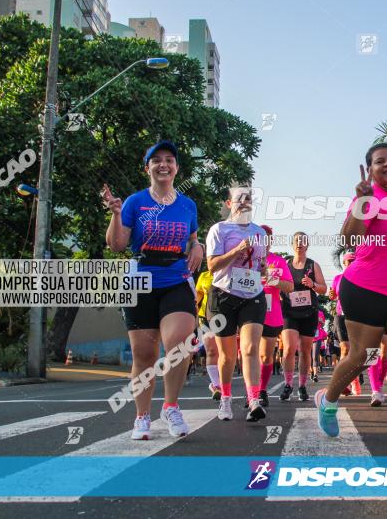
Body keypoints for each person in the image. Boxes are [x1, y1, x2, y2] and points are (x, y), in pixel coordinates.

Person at [314, 143, 387, 451]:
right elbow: (348, 240)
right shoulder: (369, 198)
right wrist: (363, 201)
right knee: (361, 356)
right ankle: (328, 401)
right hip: (365, 286)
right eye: (380, 161)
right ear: (370, 170)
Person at [103, 140, 203, 440]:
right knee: (143, 354)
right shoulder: (135, 202)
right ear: (147, 168)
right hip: (141, 280)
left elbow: (193, 236)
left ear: (176, 168)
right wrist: (116, 214)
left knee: (180, 341)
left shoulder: (188, 205)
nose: (163, 164)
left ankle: (170, 407)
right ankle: (142, 416)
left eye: (169, 160)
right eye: (156, 160)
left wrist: (197, 246)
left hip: (176, 278)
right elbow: (117, 245)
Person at [205, 186, 268, 422]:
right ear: (229, 204)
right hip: (224, 294)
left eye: (248, 199)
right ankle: (226, 399)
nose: (244, 202)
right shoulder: (218, 229)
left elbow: (261, 264)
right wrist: (238, 250)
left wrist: (262, 268)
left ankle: (253, 400)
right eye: (238, 199)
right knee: (227, 356)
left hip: (253, 294)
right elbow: (212, 266)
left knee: (251, 349)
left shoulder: (260, 232)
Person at [279, 232, 327, 402]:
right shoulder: (285, 265)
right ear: (292, 245)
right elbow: (277, 284)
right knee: (290, 348)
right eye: (297, 241)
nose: (300, 243)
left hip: (309, 312)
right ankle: (288, 384)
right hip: (289, 312)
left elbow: (324, 289)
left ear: (307, 245)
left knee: (306, 350)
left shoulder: (313, 265)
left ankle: (302, 386)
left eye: (303, 241)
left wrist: (313, 284)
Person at [256, 225, 294, 407]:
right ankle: (252, 392)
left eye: (267, 238)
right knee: (247, 353)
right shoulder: (246, 258)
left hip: (271, 313)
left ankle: (261, 391)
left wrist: (269, 277)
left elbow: (289, 287)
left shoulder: (278, 261)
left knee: (265, 356)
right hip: (248, 310)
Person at [328, 252, 361, 395]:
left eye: (354, 261)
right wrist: (331, 295)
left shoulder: (363, 277)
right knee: (345, 349)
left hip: (358, 316)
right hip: (341, 316)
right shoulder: (338, 279)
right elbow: (333, 295)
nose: (351, 263)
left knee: (357, 351)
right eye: (349, 261)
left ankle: (354, 380)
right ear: (344, 263)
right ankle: (344, 382)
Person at [195, 268, 221, 400]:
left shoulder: (230, 272)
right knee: (211, 351)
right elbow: (197, 295)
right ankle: (216, 386)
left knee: (223, 352)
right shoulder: (204, 275)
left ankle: (223, 384)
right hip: (205, 317)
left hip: (225, 317)